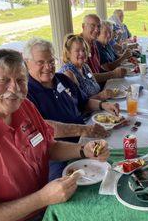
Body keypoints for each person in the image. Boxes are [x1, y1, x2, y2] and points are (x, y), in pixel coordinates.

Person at [0, 48, 107, 221]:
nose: (15, 88)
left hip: (35, 210)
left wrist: (83, 150)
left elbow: (46, 145)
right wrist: (43, 198)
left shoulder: (25, 107)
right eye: (4, 80)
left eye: (20, 80)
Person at [23, 38, 119, 180]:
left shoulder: (62, 79)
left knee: (116, 163)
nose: (48, 67)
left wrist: (103, 105)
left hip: (85, 140)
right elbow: (42, 127)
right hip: (57, 156)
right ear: (27, 63)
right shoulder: (26, 93)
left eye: (51, 61)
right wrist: (83, 129)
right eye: (41, 62)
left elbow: (84, 102)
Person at [60, 34, 116, 101]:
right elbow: (77, 104)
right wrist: (100, 96)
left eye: (83, 50)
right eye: (77, 51)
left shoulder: (85, 67)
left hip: (100, 106)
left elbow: (96, 87)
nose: (82, 53)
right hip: (90, 110)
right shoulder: (68, 73)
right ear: (68, 53)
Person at [81, 14, 126, 84]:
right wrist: (113, 74)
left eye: (98, 26)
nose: (96, 30)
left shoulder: (93, 44)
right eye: (92, 25)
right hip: (93, 92)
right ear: (83, 26)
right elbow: (86, 76)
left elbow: (98, 69)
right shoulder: (79, 46)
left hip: (100, 86)